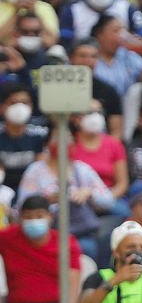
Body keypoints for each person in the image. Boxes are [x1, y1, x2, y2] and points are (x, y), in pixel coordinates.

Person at [17, 127, 113, 259]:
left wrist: (89, 193)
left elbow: (108, 200)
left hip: (80, 232)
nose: (64, 142)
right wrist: (45, 201)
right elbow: (21, 205)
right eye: (58, 138)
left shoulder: (82, 169)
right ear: (48, 143)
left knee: (87, 250)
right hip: (46, 232)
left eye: (69, 138)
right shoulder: (35, 170)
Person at [0, 194, 81, 303]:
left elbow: (72, 284)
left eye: (39, 216)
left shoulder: (66, 242)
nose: (33, 221)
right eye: (28, 217)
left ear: (50, 216)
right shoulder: (7, 238)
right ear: (20, 218)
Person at [72, 98, 129, 216]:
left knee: (125, 213)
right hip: (78, 200)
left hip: (109, 199)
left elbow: (122, 183)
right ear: (77, 119)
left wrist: (105, 199)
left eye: (99, 112)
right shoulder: (70, 144)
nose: (95, 116)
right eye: (89, 112)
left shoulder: (114, 144)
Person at [68, 37, 124, 140]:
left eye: (93, 56)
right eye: (82, 56)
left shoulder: (108, 91)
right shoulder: (60, 88)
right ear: (71, 58)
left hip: (101, 147)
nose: (88, 61)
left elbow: (116, 130)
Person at [0, 82, 47, 195]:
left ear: (31, 106)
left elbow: (42, 168)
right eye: (13, 103)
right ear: (2, 107)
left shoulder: (41, 134)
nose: (19, 107)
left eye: (24, 102)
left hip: (33, 191)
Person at [59, 0, 142, 48]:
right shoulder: (72, 10)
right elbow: (64, 43)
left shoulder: (128, 8)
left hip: (121, 61)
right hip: (83, 62)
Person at [91, 14, 142, 99]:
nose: (120, 36)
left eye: (122, 31)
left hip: (126, 107)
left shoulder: (128, 56)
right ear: (100, 34)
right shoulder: (89, 56)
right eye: (115, 31)